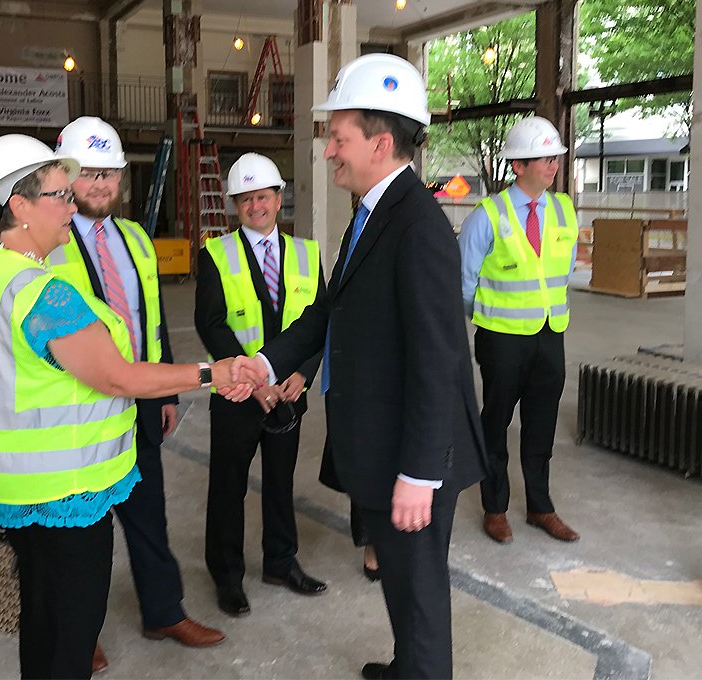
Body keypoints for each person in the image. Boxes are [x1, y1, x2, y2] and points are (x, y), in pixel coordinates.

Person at [0, 136, 257, 680]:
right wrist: (211, 373)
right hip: (66, 495)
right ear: (18, 205)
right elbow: (117, 376)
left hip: (24, 492)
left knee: (44, 627)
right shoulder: (43, 294)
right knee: (69, 638)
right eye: (59, 195)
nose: (72, 205)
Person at [242, 54, 487, 680]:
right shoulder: (371, 212)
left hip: (409, 457)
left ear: (380, 143)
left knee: (419, 593)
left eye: (338, 137)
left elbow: (439, 361)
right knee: (402, 586)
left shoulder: (418, 227)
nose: (328, 152)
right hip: (380, 445)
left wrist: (419, 474)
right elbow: (328, 312)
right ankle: (409, 667)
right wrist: (265, 361)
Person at [50, 117, 224, 667]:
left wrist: (165, 393)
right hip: (81, 414)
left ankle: (164, 611)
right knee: (83, 534)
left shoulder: (136, 240)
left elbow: (152, 324)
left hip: (139, 406)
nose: (101, 185)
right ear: (67, 178)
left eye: (111, 174)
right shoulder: (49, 248)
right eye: (89, 174)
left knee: (149, 516)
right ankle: (80, 631)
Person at [194, 152, 327, 617]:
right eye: (246, 199)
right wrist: (253, 381)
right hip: (237, 394)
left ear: (278, 198)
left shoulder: (308, 254)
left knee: (280, 481)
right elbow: (211, 324)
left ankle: (280, 561)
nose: (256, 206)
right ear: (235, 205)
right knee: (228, 486)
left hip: (289, 391)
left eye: (263, 196)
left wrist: (301, 373)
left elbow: (319, 320)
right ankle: (227, 576)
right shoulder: (214, 254)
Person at [458, 116, 580, 546]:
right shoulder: (487, 215)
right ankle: (495, 508)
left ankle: (540, 507)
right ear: (519, 166)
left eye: (556, 159)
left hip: (550, 334)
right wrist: (492, 315)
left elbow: (562, 271)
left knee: (541, 424)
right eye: (546, 159)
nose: (554, 167)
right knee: (495, 423)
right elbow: (463, 283)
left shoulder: (564, 209)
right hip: (501, 337)